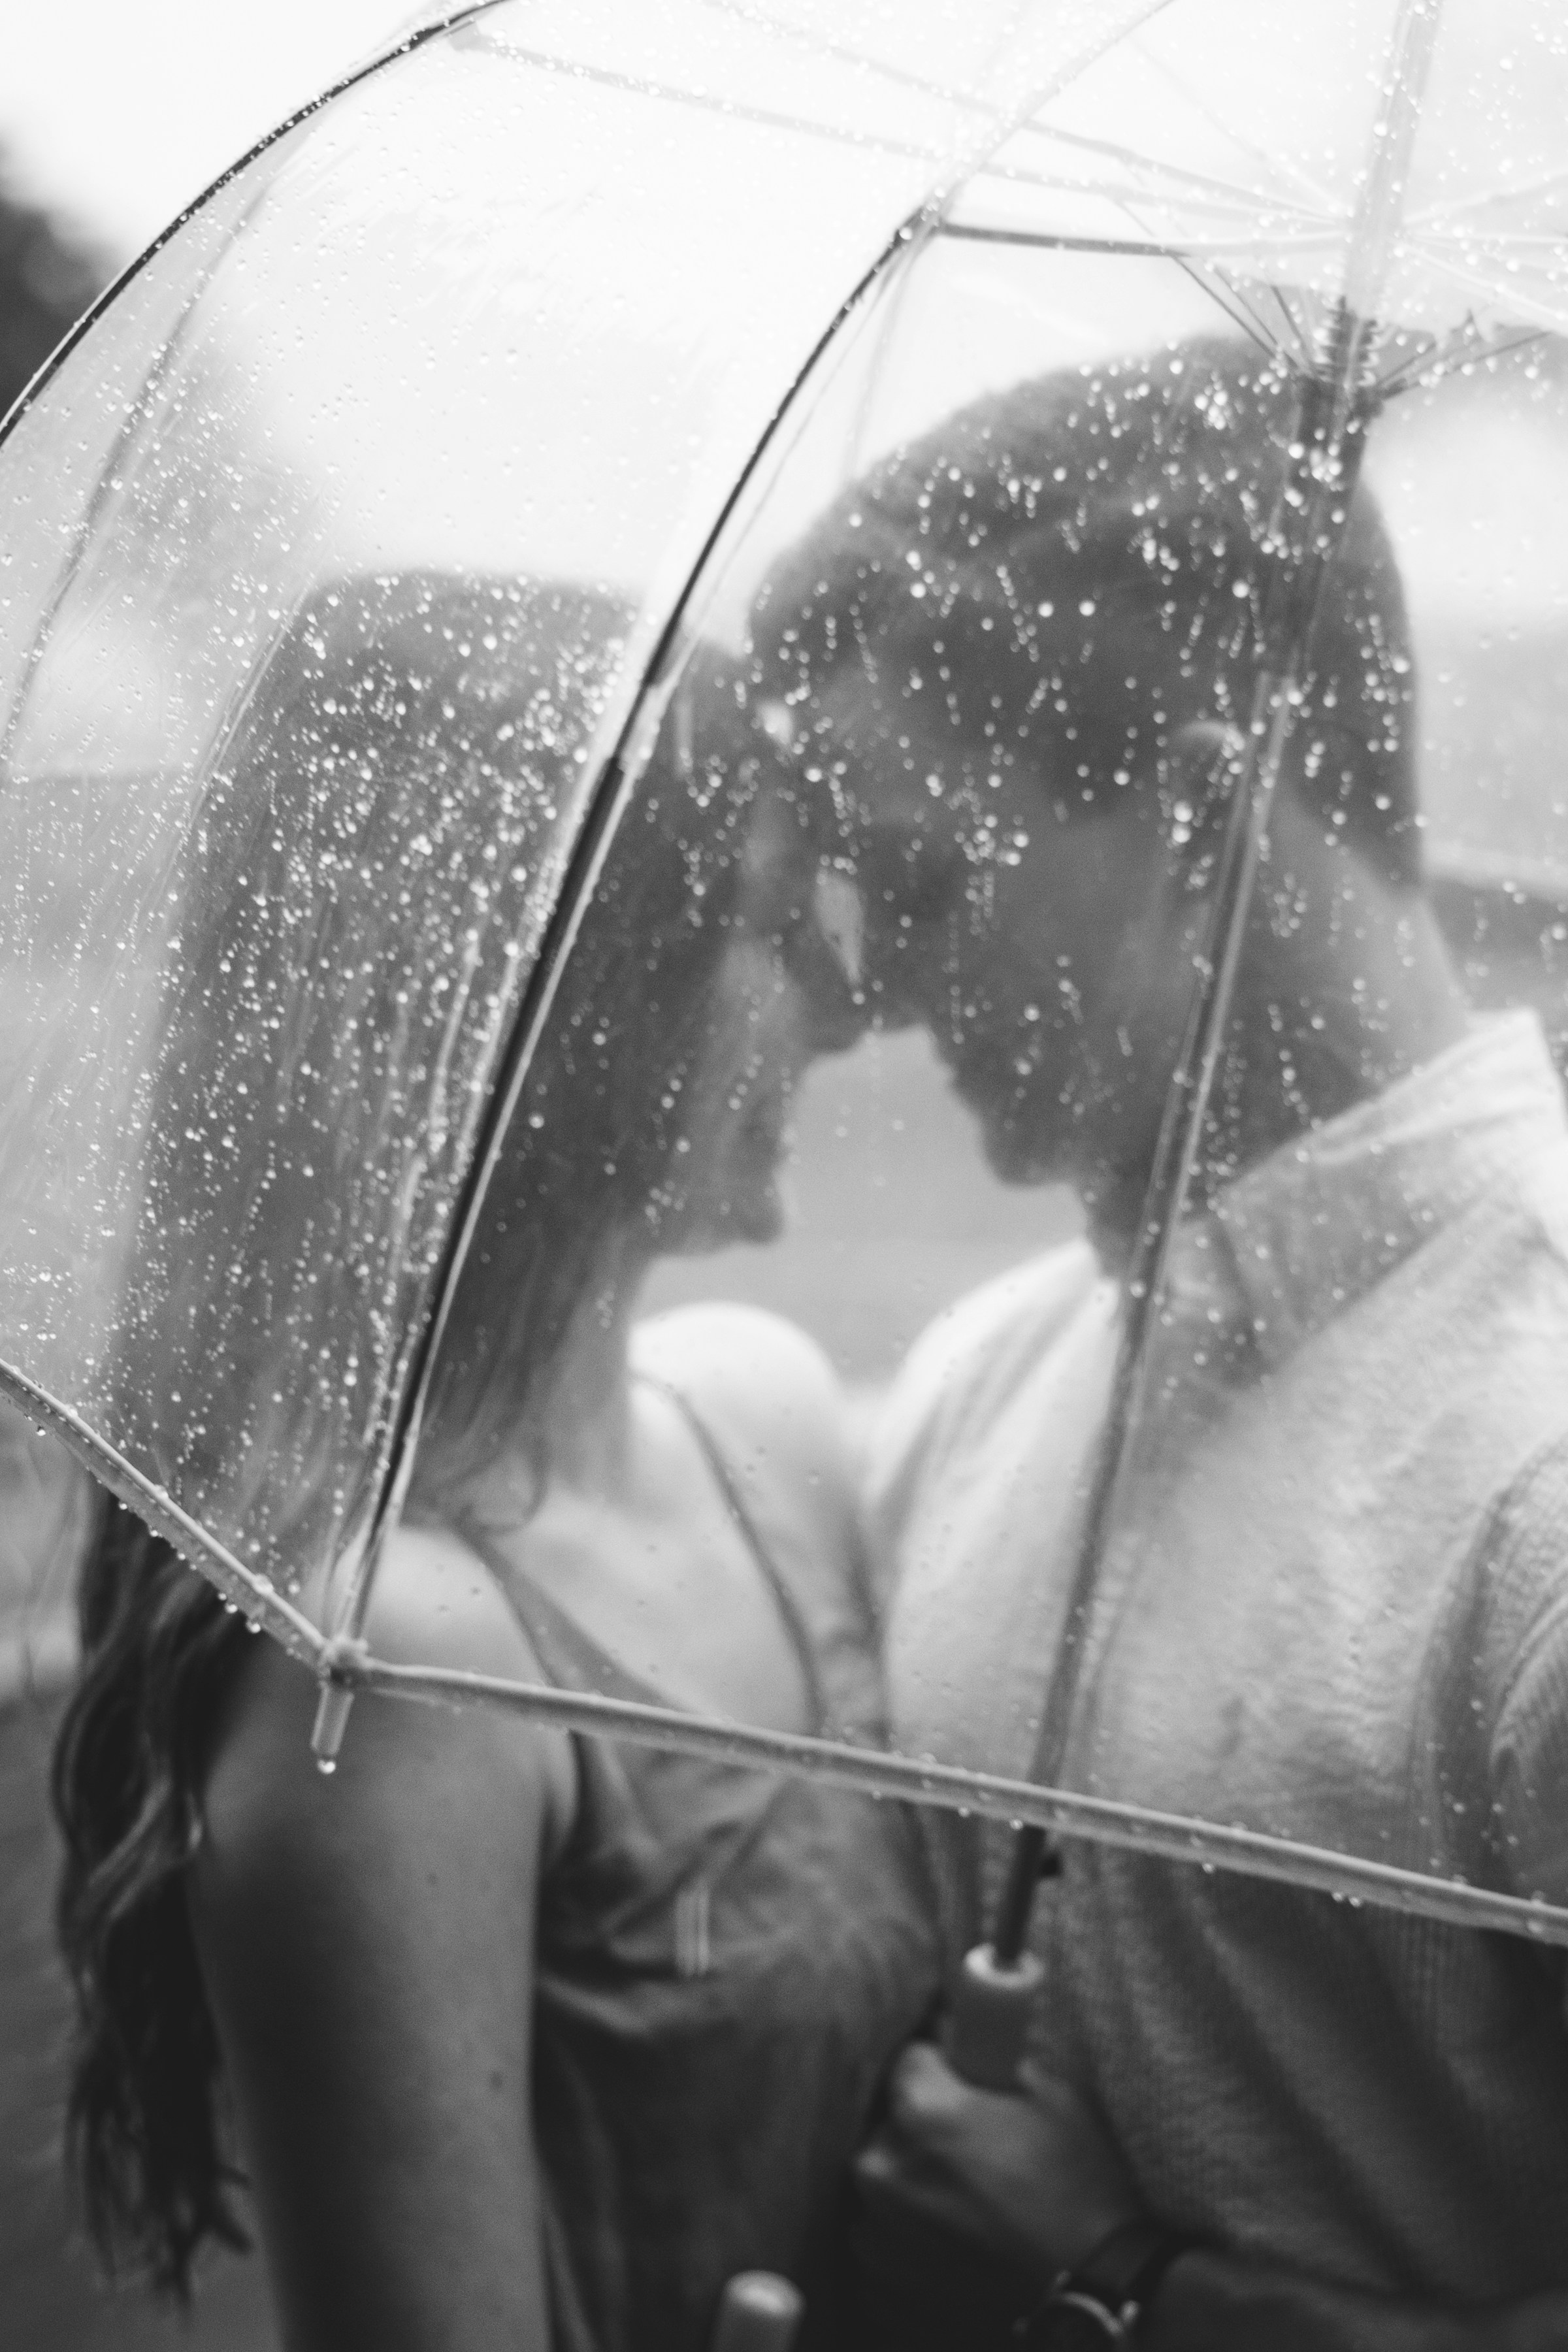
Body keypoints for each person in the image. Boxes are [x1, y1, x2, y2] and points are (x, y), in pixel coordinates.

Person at [751, 338, 1568, 2343]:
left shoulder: (1542, 1481)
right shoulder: (975, 1387)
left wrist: (1111, 2291)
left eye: (921, 875)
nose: (860, 995)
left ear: (1204, 801)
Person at [52, 574, 939, 2352]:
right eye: (776, 924)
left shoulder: (759, 1423)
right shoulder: (403, 1676)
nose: (845, 1013)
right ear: (574, 1004)